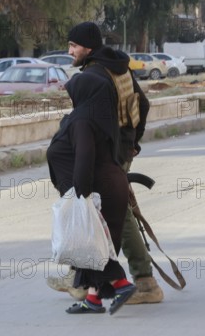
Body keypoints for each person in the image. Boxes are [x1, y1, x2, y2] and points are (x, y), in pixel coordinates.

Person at [46, 21, 163, 305]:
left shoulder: (97, 73)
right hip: (119, 147)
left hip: (107, 152)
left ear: (88, 47)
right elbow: (142, 104)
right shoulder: (116, 67)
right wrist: (133, 141)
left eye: (74, 46)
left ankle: (143, 281)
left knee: (111, 213)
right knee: (100, 210)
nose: (70, 51)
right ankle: (83, 278)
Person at [46, 63, 136, 315]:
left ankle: (121, 283)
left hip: (98, 190)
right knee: (91, 244)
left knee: (90, 242)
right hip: (106, 186)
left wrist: (80, 195)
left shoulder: (84, 120)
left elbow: (85, 158)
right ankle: (93, 299)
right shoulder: (94, 117)